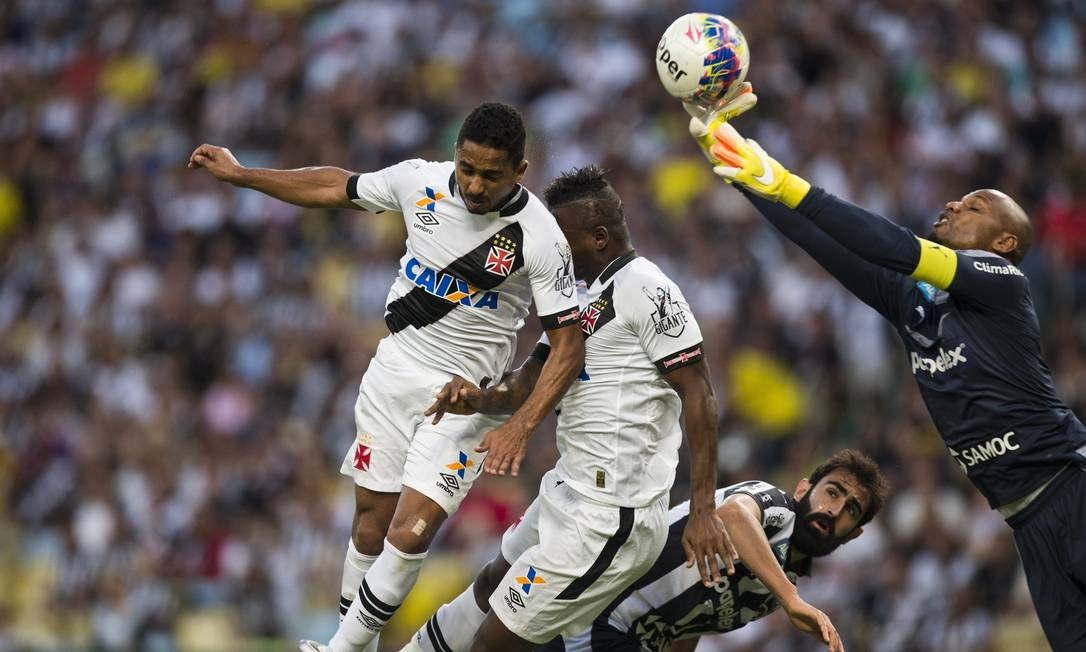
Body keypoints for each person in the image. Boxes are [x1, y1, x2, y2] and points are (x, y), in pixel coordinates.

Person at [686, 97, 1086, 650]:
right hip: (1026, 519)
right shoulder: (917, 304)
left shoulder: (1002, 281)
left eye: (974, 207)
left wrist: (789, 182)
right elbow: (830, 246)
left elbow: (892, 245)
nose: (953, 204)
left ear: (1004, 243)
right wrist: (742, 173)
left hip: (1072, 486)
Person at [188, 102, 586, 652]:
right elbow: (334, 187)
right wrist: (243, 174)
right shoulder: (417, 182)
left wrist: (519, 421)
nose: (473, 184)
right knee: (370, 531)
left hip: (465, 399)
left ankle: (342, 649)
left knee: (408, 532)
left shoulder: (541, 238)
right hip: (393, 375)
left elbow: (567, 344)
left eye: (491, 175)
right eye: (466, 167)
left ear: (520, 171)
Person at [403, 165, 766, 652]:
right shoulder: (572, 295)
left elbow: (699, 396)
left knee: (496, 644)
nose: (551, 250)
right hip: (567, 490)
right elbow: (529, 380)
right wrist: (480, 397)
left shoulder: (648, 289)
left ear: (599, 237)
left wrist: (703, 510)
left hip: (610, 517)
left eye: (561, 239)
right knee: (490, 585)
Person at [549, 448, 883, 652]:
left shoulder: (777, 584)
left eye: (851, 510)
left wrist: (785, 595)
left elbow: (693, 623)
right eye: (833, 492)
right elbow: (733, 515)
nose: (834, 510)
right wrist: (791, 599)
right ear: (802, 489)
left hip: (625, 637)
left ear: (853, 536)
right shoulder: (776, 506)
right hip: (603, 612)